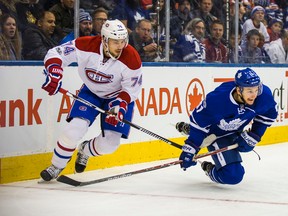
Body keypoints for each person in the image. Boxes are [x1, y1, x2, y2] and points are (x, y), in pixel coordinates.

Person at [40, 19, 143, 181]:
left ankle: (84, 151)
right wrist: (54, 71)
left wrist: (120, 105)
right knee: (73, 130)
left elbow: (131, 89)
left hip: (118, 98)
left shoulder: (132, 58)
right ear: (104, 39)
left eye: (123, 41)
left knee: (110, 145)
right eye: (116, 42)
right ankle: (57, 166)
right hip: (91, 92)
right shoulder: (86, 45)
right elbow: (56, 53)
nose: (120, 46)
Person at [175, 68, 278, 185]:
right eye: (249, 91)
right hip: (215, 135)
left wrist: (255, 134)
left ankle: (209, 169)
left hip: (234, 131)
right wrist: (191, 147)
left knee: (233, 177)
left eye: (256, 90)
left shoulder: (263, 95)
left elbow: (268, 115)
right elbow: (199, 122)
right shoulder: (217, 100)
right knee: (232, 175)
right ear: (239, 90)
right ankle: (192, 131)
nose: (254, 95)